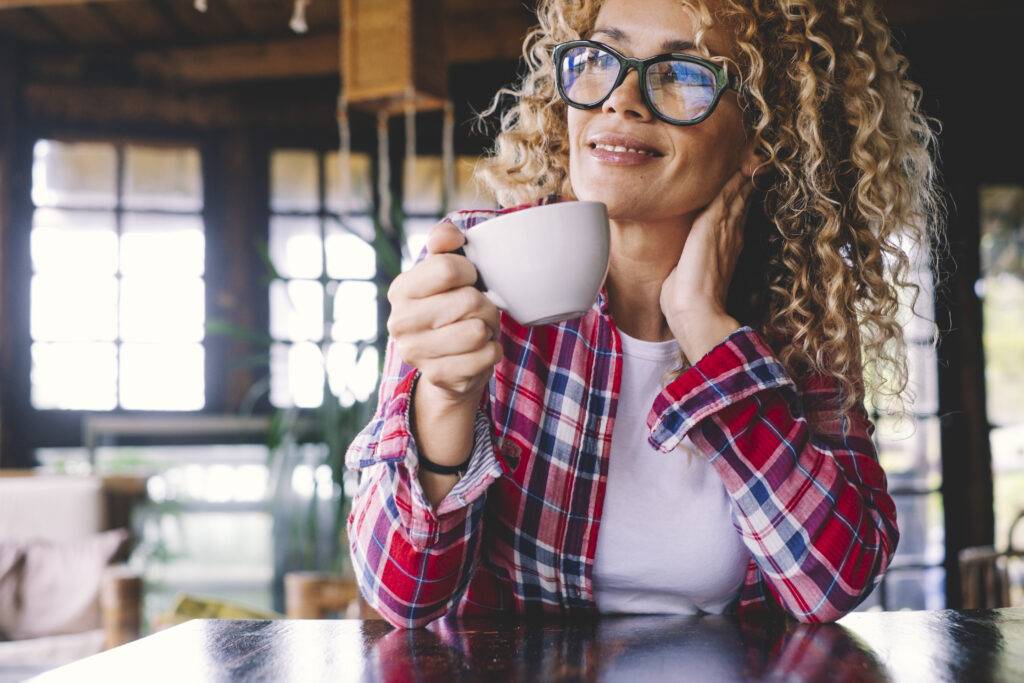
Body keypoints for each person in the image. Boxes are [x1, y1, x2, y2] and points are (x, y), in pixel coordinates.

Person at [345, 0, 943, 629]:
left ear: (763, 136)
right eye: (601, 60)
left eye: (684, 75)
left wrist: (705, 327)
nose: (621, 99)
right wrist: (444, 399)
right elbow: (403, 598)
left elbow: (834, 584)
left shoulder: (799, 311)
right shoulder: (479, 268)